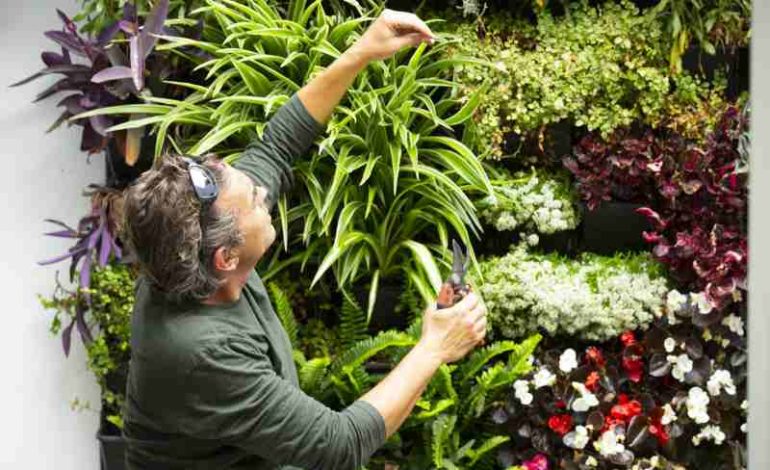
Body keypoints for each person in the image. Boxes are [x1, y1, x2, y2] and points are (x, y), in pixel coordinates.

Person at [122, 9, 488, 470]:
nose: (263, 191)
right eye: (255, 201)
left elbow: (275, 146)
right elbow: (339, 445)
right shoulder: (200, 353)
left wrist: (361, 52)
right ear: (226, 256)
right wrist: (435, 346)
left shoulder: (188, 249)